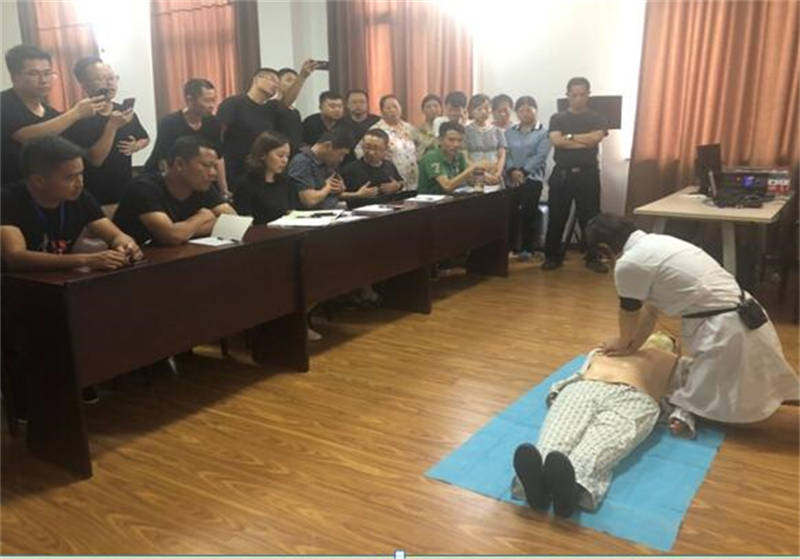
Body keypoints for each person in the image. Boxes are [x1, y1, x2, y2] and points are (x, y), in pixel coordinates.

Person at [585, 213, 800, 437]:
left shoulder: (629, 263)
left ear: (604, 248)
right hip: (748, 310)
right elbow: (650, 309)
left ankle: (688, 411)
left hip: (726, 327)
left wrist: (622, 341)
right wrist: (634, 344)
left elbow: (629, 312)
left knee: (716, 395)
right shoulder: (659, 242)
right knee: (769, 377)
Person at [511, 333, 683, 517]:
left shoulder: (675, 364)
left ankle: (569, 489)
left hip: (636, 397)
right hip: (587, 386)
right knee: (555, 442)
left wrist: (681, 416)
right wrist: (559, 389)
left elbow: (685, 396)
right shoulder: (608, 349)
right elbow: (581, 372)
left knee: (596, 450)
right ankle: (538, 483)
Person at [1, 135, 142, 272]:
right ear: (38, 181)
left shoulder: (81, 198)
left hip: (58, 280)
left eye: (81, 174)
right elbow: (15, 257)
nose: (79, 183)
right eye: (70, 178)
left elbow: (115, 236)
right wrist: (86, 260)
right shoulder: (7, 200)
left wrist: (126, 246)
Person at [1, 45, 105, 185]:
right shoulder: (4, 103)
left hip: (45, 189)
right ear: (14, 77)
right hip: (10, 189)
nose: (43, 80)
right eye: (34, 74)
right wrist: (75, 113)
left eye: (48, 73)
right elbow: (25, 137)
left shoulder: (51, 113)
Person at [113, 136, 235, 245]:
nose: (213, 173)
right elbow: (171, 236)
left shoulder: (202, 186)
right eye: (206, 165)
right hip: (138, 259)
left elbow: (234, 223)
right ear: (180, 164)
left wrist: (186, 230)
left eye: (215, 167)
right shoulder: (143, 187)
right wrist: (202, 217)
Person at [543, 76, 609, 273]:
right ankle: (552, 257)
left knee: (590, 218)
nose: (578, 99)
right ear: (567, 95)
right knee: (557, 217)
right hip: (562, 175)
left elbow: (595, 139)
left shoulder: (597, 117)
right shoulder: (557, 118)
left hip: (587, 175)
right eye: (574, 95)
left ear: (588, 95)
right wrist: (583, 140)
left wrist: (569, 137)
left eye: (582, 95)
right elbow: (557, 141)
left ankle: (593, 257)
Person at [64, 57, 149, 206]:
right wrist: (112, 126)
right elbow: (95, 159)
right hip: (93, 194)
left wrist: (136, 146)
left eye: (112, 78)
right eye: (100, 79)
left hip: (124, 188)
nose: (109, 83)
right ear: (84, 85)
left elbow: (144, 137)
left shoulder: (124, 111)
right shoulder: (78, 117)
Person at [218, 61, 318, 185]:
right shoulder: (233, 103)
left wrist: (302, 76)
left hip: (262, 171)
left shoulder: (271, 107)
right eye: (271, 79)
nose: (275, 85)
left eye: (277, 83)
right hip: (235, 169)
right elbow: (218, 136)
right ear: (256, 79)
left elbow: (287, 101)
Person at [144, 78, 228, 196]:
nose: (212, 105)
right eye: (207, 101)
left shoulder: (213, 123)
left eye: (213, 100)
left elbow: (218, 158)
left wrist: (224, 191)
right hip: (168, 180)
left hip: (199, 178)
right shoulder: (170, 122)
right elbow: (163, 160)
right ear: (190, 100)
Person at [505, 96, 550, 259]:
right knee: (510, 213)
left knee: (528, 213)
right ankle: (510, 247)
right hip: (511, 178)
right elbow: (506, 153)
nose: (525, 113)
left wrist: (523, 172)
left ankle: (527, 248)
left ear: (535, 111)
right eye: (521, 110)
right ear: (516, 113)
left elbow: (541, 156)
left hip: (532, 178)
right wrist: (512, 170)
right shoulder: (510, 132)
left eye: (529, 109)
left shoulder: (543, 133)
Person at [288, 128, 373, 209]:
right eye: (341, 154)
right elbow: (309, 201)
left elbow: (330, 196)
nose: (341, 159)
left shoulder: (327, 162)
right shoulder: (302, 162)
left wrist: (339, 190)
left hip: (335, 209)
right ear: (328, 146)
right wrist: (328, 188)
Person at [356, 94, 419, 190]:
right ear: (381, 111)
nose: (393, 110)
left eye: (395, 107)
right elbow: (359, 151)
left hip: (412, 179)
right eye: (388, 108)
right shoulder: (376, 129)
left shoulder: (409, 128)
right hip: (390, 179)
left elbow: (419, 147)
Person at [233, 131, 294, 224]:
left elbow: (290, 212)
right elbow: (245, 221)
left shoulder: (286, 181)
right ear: (263, 154)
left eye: (287, 156)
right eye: (280, 155)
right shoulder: (246, 184)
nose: (285, 160)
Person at [340, 128, 404, 207]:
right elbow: (336, 196)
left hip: (388, 209)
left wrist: (397, 186)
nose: (371, 152)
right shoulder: (350, 169)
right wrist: (357, 195)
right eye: (367, 147)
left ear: (386, 149)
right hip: (361, 211)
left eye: (376, 148)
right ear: (362, 146)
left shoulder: (389, 165)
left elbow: (401, 182)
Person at [417, 122, 487, 195]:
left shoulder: (459, 155)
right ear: (440, 140)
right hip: (430, 200)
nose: (456, 144)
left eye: (459, 140)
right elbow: (447, 186)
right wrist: (473, 167)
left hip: (452, 198)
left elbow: (470, 181)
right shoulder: (432, 156)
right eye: (451, 140)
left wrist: (481, 172)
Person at [464, 93, 506, 187]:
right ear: (471, 111)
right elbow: (464, 157)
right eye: (479, 109)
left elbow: (502, 156)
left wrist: (497, 174)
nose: (483, 112)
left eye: (486, 108)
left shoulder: (498, 131)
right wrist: (482, 174)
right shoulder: (465, 131)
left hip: (494, 176)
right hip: (473, 177)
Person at [273, 68, 304, 155]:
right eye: (288, 80)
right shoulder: (271, 105)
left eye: (295, 82)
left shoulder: (296, 112)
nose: (293, 84)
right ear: (277, 83)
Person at [416, 93, 442, 158]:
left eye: (435, 106)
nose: (432, 109)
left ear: (441, 109)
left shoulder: (446, 126)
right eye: (428, 107)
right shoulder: (417, 130)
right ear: (423, 110)